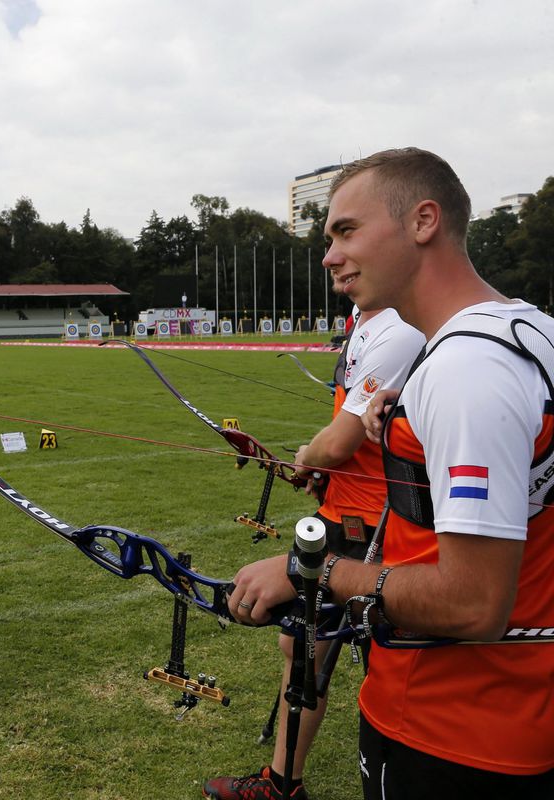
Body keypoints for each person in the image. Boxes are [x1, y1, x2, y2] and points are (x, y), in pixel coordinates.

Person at [228, 148, 554, 798]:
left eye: (346, 230)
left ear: (423, 221)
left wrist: (309, 573)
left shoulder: (469, 372)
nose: (329, 255)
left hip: (451, 728)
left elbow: (472, 604)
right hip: (515, 717)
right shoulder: (526, 329)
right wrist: (405, 417)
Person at [204, 303, 424, 799]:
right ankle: (283, 783)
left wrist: (312, 457)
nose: (333, 258)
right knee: (303, 644)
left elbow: (339, 442)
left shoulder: (399, 331)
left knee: (386, 661)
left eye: (348, 236)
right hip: (342, 514)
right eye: (329, 240)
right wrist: (328, 475)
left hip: (378, 527)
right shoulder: (364, 320)